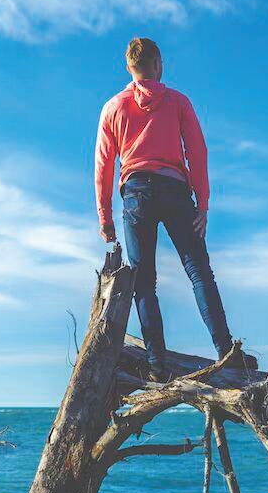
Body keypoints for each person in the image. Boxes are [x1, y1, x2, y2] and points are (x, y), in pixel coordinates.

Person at [94, 37, 254, 381]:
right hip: (175, 192)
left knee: (144, 283)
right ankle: (226, 353)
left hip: (136, 194)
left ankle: (157, 365)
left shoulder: (113, 107)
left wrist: (105, 217)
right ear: (158, 64)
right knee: (199, 273)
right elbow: (197, 152)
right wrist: (203, 203)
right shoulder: (178, 101)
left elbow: (103, 165)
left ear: (129, 67)